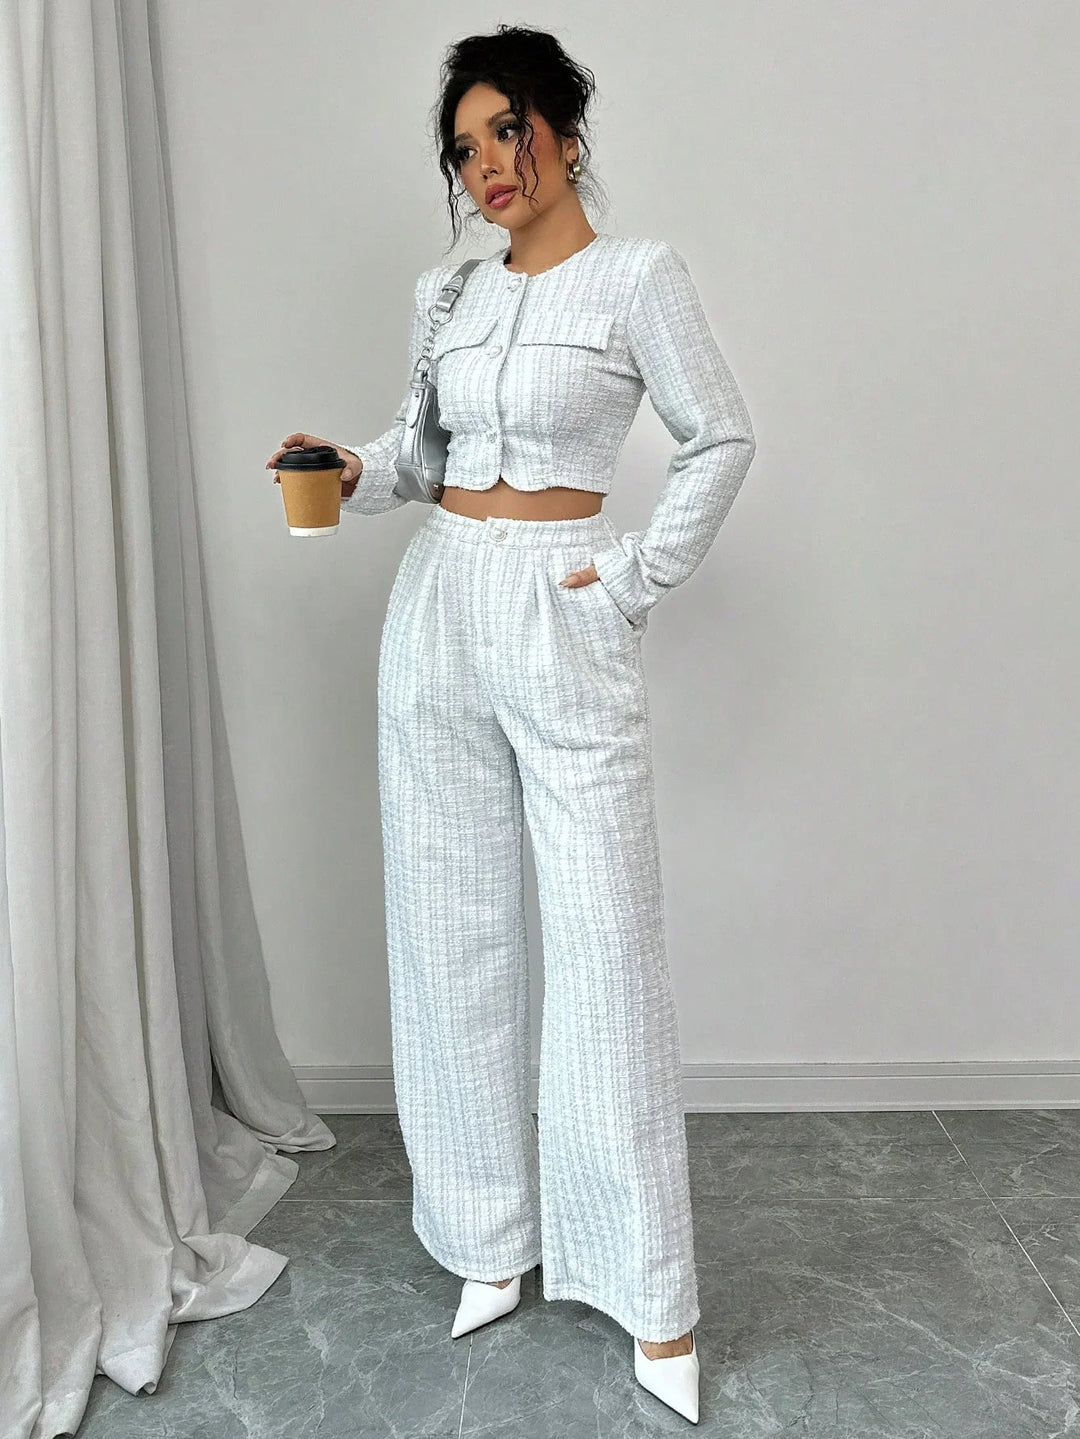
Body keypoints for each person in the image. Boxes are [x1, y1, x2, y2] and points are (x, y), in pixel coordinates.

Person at [265, 24, 756, 1426]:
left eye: (507, 133)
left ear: (564, 128)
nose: (487, 164)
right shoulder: (447, 295)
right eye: (465, 147)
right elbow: (420, 458)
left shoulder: (638, 277)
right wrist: (347, 466)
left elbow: (721, 435)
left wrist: (637, 581)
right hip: (438, 611)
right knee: (449, 928)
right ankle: (488, 1237)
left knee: (604, 943)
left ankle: (651, 1296)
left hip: (562, 601)